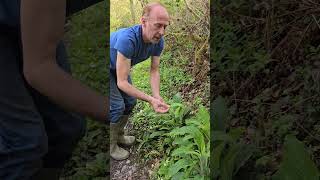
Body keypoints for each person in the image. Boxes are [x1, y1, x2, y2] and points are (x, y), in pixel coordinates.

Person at [0, 0, 108, 179]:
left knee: (66, 127)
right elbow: (39, 69)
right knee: (22, 143)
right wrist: (114, 111)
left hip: (24, 14)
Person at [110, 2, 170, 160]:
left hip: (121, 68)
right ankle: (111, 145)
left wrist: (156, 96)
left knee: (130, 102)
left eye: (165, 27)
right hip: (108, 68)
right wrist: (150, 100)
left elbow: (154, 70)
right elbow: (121, 82)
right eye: (158, 25)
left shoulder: (158, 42)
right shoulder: (127, 39)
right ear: (143, 21)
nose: (162, 32)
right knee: (116, 106)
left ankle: (120, 135)